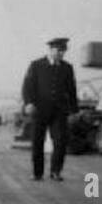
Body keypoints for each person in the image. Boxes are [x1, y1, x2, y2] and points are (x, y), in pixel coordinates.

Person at [22, 36, 78, 182]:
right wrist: (28, 103)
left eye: (63, 51)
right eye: (58, 50)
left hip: (59, 112)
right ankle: (37, 173)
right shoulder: (36, 65)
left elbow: (72, 90)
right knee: (37, 142)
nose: (61, 54)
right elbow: (27, 86)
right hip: (39, 111)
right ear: (50, 49)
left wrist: (74, 111)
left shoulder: (67, 68)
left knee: (60, 142)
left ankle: (55, 171)